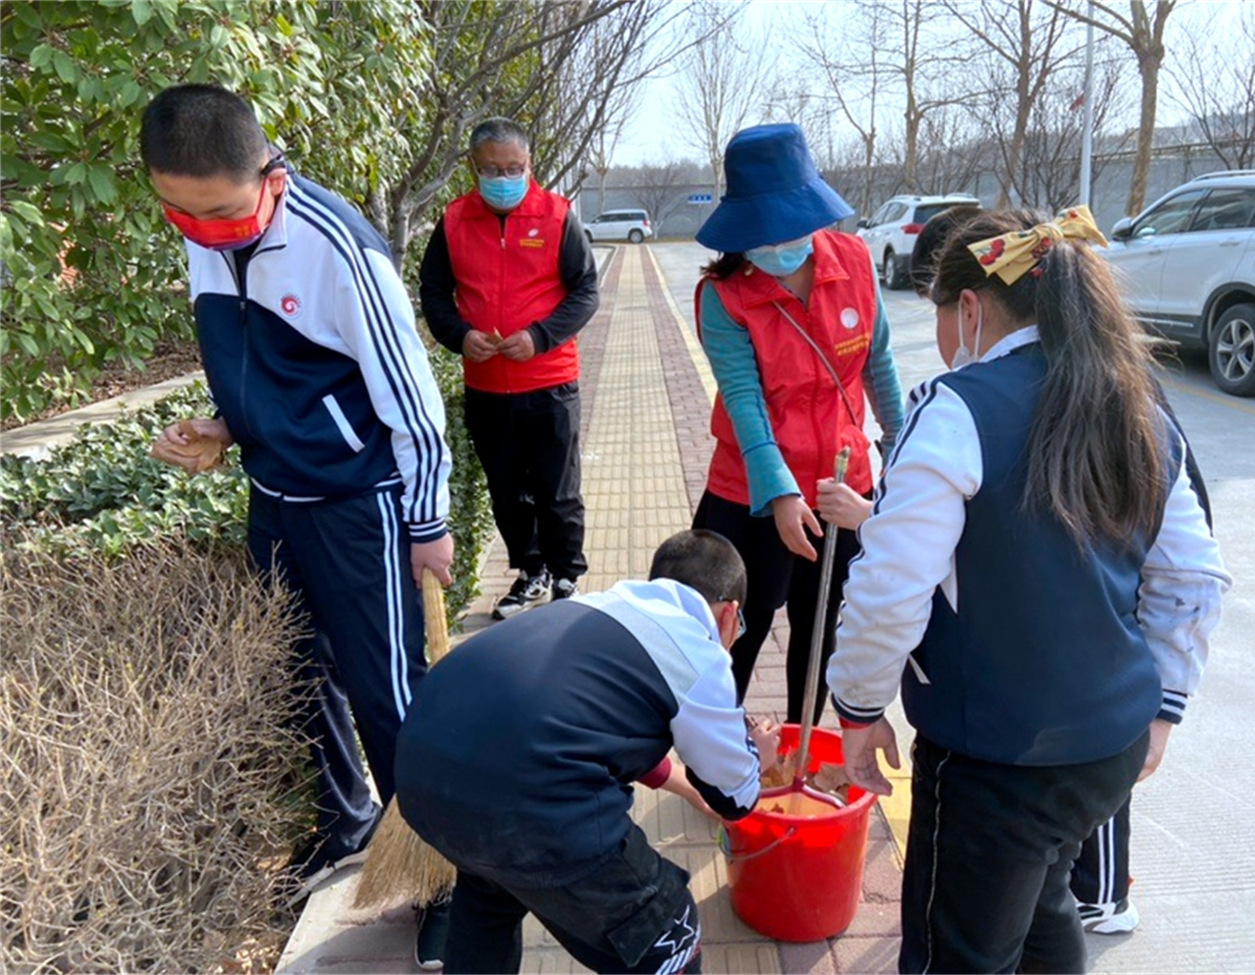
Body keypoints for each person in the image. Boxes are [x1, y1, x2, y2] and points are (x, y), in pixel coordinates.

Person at [826, 207, 1231, 973]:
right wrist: (1165, 706)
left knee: (959, 953)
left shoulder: (956, 411)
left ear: (970, 308)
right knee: (1043, 902)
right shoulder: (1137, 401)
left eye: (942, 317)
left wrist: (857, 705)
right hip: (1107, 744)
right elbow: (1192, 575)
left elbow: (889, 587)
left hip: (996, 761)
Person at [139, 84, 455, 930]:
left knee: (388, 690)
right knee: (293, 672)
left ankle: (443, 873)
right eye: (180, 212)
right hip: (274, 495)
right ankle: (348, 819)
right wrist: (225, 428)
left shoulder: (335, 245)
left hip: (362, 503)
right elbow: (270, 373)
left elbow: (413, 400)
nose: (203, 230)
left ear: (266, 170)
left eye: (220, 212)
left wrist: (428, 521)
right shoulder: (205, 230)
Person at [393, 529, 782, 975]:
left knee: (490, 893)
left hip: (425, 776)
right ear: (730, 615)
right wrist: (758, 756)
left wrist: (685, 783)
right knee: (668, 929)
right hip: (530, 805)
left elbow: (588, 728)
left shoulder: (597, 607)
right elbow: (733, 797)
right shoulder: (699, 651)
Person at [689, 123, 905, 725]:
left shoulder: (856, 263)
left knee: (820, 634)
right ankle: (722, 760)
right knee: (734, 631)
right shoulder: (723, 297)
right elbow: (743, 401)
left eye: (792, 226)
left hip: (841, 486)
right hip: (750, 493)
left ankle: (799, 749)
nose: (781, 244)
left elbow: (878, 363)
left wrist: (903, 447)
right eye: (765, 231)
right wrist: (780, 493)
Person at [420, 117, 597, 620]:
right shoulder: (454, 221)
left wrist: (539, 336)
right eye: (493, 168)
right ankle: (531, 571)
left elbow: (586, 291)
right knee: (505, 488)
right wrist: (459, 336)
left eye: (514, 167)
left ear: (530, 165)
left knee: (558, 488)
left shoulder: (558, 216)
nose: (504, 177)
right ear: (474, 168)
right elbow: (433, 291)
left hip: (549, 381)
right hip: (486, 385)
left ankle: (567, 576)